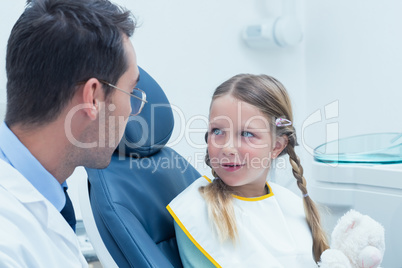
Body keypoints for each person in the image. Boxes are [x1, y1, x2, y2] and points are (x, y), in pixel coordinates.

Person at [0, 0, 144, 266]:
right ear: (92, 98)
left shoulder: (46, 192)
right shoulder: (7, 246)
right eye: (131, 93)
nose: (134, 111)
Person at [167, 74, 329, 267]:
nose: (227, 147)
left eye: (246, 134)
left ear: (277, 146)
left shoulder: (293, 206)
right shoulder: (198, 212)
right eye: (217, 131)